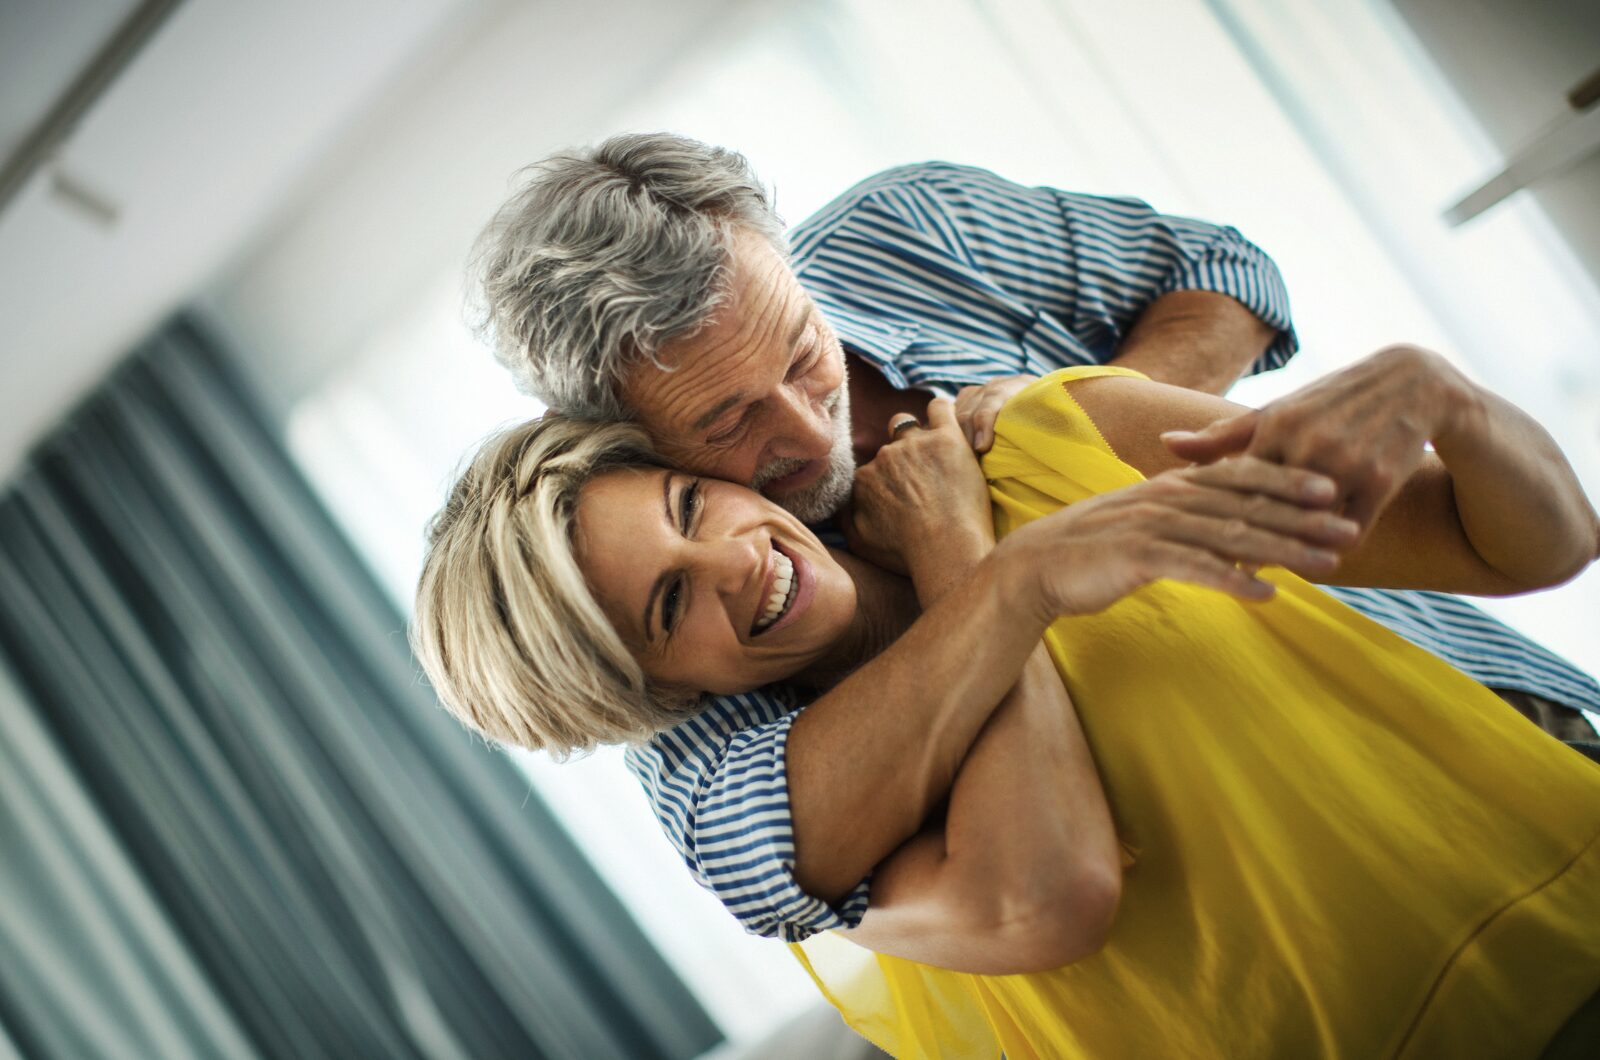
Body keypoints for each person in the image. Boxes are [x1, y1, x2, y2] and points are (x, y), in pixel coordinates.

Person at [467, 133, 1600, 947]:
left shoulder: (917, 241)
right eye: (723, 424)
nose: (805, 426)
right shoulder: (673, 680)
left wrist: (1091, 437)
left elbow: (1223, 271)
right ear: (621, 442)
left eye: (803, 351)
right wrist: (995, 557)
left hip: (1490, 738)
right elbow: (1027, 899)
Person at [411, 351, 1600, 1057]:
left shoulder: (1045, 438)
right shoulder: (827, 818)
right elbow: (1048, 891)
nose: (732, 564)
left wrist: (1448, 395)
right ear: (656, 694)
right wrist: (986, 572)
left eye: (686, 508)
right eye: (667, 611)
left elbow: (1530, 546)